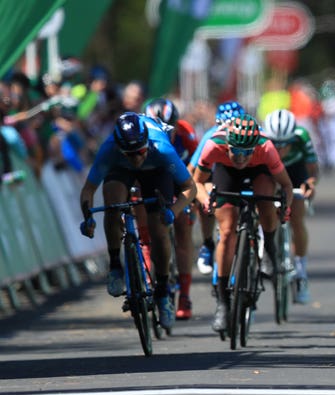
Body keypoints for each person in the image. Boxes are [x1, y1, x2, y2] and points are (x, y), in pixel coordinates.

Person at [79, 112, 196, 329]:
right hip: (119, 169)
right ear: (120, 147)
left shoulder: (162, 148)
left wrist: (174, 210)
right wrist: (87, 216)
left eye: (140, 152)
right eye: (130, 154)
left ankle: (162, 292)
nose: (137, 159)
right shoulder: (110, 149)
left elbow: (190, 188)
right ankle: (115, 265)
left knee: (159, 227)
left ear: (146, 144)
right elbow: (88, 190)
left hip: (156, 171)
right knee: (113, 205)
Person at [192, 114, 293, 334]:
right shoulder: (214, 145)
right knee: (227, 231)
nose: (240, 158)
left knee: (266, 200)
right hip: (225, 173)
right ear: (227, 144)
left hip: (260, 172)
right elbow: (197, 182)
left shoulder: (265, 148)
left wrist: (284, 208)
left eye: (246, 152)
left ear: (254, 147)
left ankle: (268, 246)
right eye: (236, 151)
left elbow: (286, 185)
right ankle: (222, 301)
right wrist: (205, 200)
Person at [144, 98, 199, 320]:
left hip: (180, 176)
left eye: (170, 127)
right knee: (147, 229)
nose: (167, 132)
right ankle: (148, 280)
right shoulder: (140, 134)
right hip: (152, 177)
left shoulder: (185, 132)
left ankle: (184, 294)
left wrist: (191, 199)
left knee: (183, 231)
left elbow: (198, 166)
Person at [262, 109, 319, 304]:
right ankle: (265, 250)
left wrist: (309, 185)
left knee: (297, 217)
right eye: (275, 144)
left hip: (295, 171)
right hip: (270, 170)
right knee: (263, 206)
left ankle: (301, 273)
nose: (280, 149)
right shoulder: (262, 139)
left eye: (284, 144)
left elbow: (312, 169)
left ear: (292, 139)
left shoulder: (302, 136)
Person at [188, 100, 246, 276]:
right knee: (208, 194)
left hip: (241, 169)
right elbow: (192, 170)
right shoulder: (211, 137)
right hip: (213, 173)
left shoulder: (248, 134)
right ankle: (207, 243)